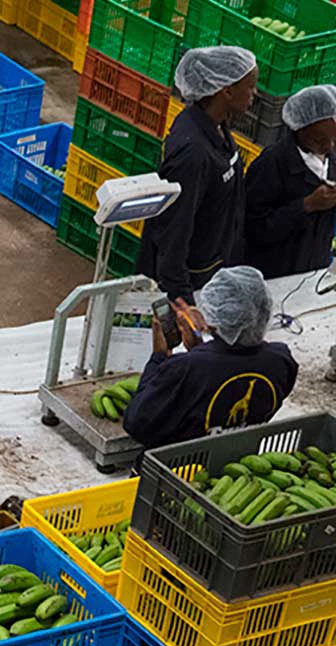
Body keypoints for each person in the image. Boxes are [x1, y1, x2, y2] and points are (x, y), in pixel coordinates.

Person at [124, 266, 297, 448]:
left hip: (183, 466)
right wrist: (200, 350)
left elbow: (137, 423)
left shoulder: (184, 368)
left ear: (214, 316)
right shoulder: (281, 360)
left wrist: (159, 356)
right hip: (237, 462)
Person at [140, 46, 258, 305]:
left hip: (214, 261)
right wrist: (181, 298)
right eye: (250, 86)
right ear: (226, 91)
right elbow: (174, 230)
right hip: (193, 277)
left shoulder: (218, 126)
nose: (255, 93)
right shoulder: (192, 153)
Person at [243, 85, 336, 279]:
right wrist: (305, 206)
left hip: (313, 269)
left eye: (334, 139)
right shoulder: (272, 164)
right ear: (300, 130)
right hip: (274, 274)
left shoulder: (332, 158)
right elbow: (252, 228)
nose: (328, 147)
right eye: (320, 140)